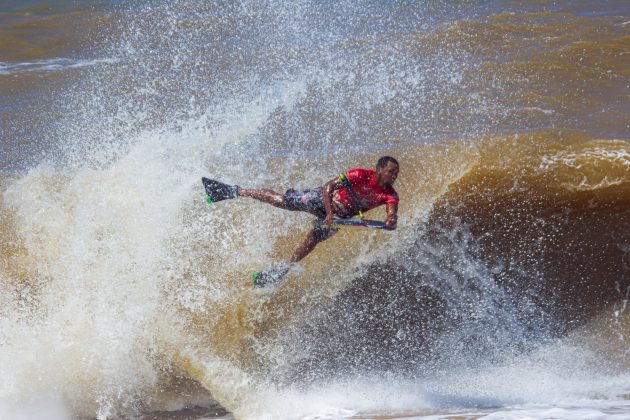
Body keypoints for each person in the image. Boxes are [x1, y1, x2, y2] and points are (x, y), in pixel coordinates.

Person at [203, 156, 399, 286]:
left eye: (396, 173)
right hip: (323, 200)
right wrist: (329, 212)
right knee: (282, 201)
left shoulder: (390, 194)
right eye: (391, 171)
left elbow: (392, 211)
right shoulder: (360, 175)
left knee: (313, 238)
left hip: (341, 218)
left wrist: (391, 219)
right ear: (379, 169)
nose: (394, 175)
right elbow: (329, 186)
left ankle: (280, 272)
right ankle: (233, 191)